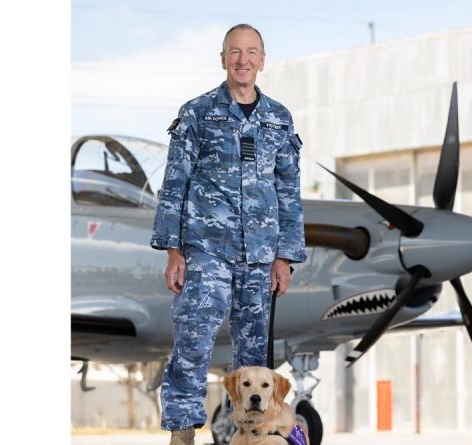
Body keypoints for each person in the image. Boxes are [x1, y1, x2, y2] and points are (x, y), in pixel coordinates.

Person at [149, 23, 306, 445]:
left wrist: (284, 256)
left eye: (251, 52)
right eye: (234, 52)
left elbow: (289, 190)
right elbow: (174, 184)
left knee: (254, 361)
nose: (242, 60)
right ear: (223, 59)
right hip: (205, 254)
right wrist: (173, 250)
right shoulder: (197, 113)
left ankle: (252, 439)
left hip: (260, 257)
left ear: (262, 61)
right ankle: (182, 435)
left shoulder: (279, 119)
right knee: (193, 344)